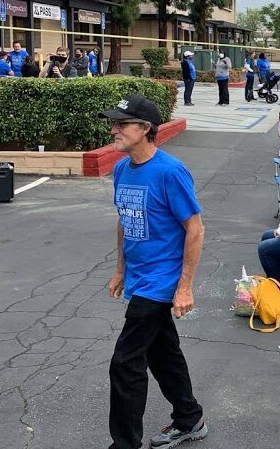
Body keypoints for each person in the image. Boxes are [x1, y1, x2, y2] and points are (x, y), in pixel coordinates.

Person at [98, 95, 207, 449]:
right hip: (138, 277)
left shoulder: (169, 171)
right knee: (163, 354)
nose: (113, 130)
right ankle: (190, 418)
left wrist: (185, 286)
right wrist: (120, 270)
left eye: (121, 124)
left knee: (125, 363)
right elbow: (125, 221)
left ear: (145, 128)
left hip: (160, 281)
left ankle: (125, 444)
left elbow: (195, 229)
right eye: (113, 123)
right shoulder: (121, 169)